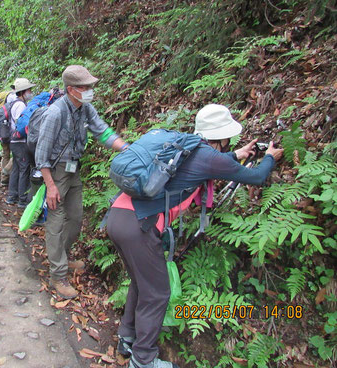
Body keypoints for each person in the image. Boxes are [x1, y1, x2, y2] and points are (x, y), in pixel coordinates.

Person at [106, 104, 284, 368]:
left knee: (142, 283)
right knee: (157, 293)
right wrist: (269, 156)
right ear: (222, 137)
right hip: (139, 227)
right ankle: (143, 360)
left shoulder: (186, 145)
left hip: (117, 217)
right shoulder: (209, 156)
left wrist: (237, 154)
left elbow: (210, 165)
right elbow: (257, 177)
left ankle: (127, 339)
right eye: (229, 139)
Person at [35, 65, 128, 299]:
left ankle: (62, 258)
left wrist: (127, 149)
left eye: (90, 86)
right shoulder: (55, 113)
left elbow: (103, 132)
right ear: (70, 89)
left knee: (75, 218)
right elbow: (41, 154)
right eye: (84, 87)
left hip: (73, 169)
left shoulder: (85, 109)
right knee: (56, 221)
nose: (89, 90)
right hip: (55, 172)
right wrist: (50, 186)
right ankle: (58, 275)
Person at [5, 78, 36, 208]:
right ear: (23, 92)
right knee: (24, 169)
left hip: (14, 141)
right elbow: (21, 125)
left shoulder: (15, 103)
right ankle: (22, 198)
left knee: (17, 168)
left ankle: (12, 195)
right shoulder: (20, 105)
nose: (31, 92)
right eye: (29, 90)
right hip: (20, 141)